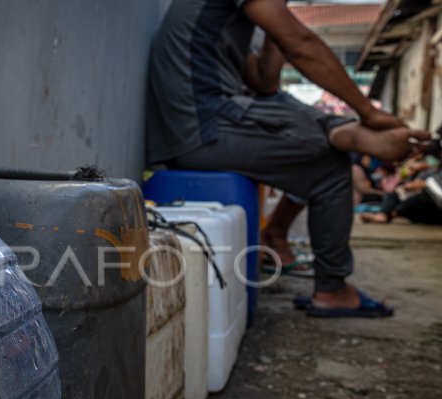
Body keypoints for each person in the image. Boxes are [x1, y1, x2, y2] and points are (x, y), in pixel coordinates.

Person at [147, 0, 430, 317]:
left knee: (304, 132)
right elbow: (301, 43)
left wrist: (274, 29)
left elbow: (264, 82)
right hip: (202, 128)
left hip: (205, 123)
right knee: (331, 168)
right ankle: (333, 290)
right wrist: (368, 112)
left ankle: (342, 133)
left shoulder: (242, 19)